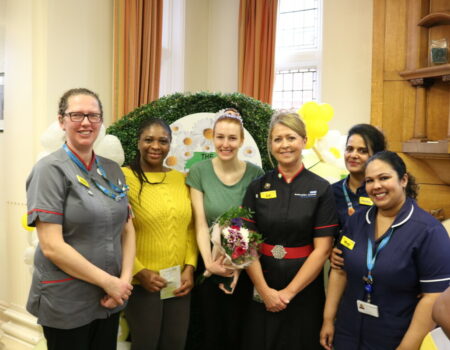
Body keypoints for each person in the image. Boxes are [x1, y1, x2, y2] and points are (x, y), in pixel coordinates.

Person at [26, 88, 135, 350]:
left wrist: (124, 282)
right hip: (68, 299)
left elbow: (128, 228)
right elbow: (52, 245)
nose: (86, 123)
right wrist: (110, 283)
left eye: (93, 116)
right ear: (62, 121)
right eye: (77, 115)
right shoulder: (49, 170)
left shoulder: (111, 169)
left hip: (110, 297)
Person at [320, 151, 450, 350]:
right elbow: (339, 269)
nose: (376, 186)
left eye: (384, 178)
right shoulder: (356, 221)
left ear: (403, 179)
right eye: (370, 181)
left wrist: (406, 347)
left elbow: (432, 297)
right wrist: (329, 319)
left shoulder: (428, 231)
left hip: (393, 336)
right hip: (348, 331)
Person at [242, 111, 338, 350]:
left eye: (291, 137)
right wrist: (265, 291)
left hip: (303, 287)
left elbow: (323, 249)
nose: (284, 145)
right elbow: (243, 243)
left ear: (304, 141)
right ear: (270, 145)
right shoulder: (256, 187)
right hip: (261, 281)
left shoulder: (321, 189)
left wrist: (287, 294)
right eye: (277, 139)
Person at [186, 108, 264, 350]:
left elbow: (254, 225)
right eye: (220, 137)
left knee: (238, 331)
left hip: (243, 266)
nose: (225, 144)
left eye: (232, 138)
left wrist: (237, 268)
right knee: (211, 332)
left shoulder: (255, 174)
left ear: (241, 140)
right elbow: (199, 221)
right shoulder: (199, 172)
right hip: (210, 264)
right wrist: (209, 263)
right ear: (212, 138)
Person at [123, 118, 198, 350]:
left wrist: (190, 266)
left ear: (170, 145)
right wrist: (138, 271)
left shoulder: (180, 179)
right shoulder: (124, 178)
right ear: (138, 143)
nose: (156, 146)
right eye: (149, 140)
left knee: (175, 343)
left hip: (178, 281)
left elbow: (190, 227)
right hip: (143, 282)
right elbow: (117, 232)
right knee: (146, 344)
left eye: (163, 141)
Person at [331, 124, 387, 268]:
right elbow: (324, 235)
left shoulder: (384, 191)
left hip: (379, 269)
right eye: (349, 149)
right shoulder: (332, 192)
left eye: (362, 151)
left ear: (376, 155)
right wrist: (329, 252)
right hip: (341, 271)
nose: (353, 155)